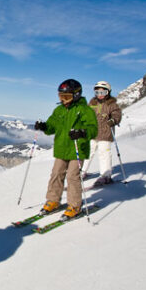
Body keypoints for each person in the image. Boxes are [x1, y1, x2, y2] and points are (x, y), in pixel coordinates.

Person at [34, 79, 98, 219]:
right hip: (62, 149)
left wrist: (82, 132)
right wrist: (44, 126)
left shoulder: (85, 110)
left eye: (66, 97)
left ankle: (75, 205)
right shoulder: (59, 110)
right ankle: (53, 200)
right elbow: (52, 127)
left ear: (76, 95)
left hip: (77, 148)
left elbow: (93, 130)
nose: (63, 100)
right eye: (61, 97)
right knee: (56, 174)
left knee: (72, 176)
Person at [87, 80, 122, 185]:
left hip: (106, 133)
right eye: (97, 93)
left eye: (103, 93)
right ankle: (82, 172)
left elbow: (117, 114)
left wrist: (113, 120)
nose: (100, 95)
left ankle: (105, 175)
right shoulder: (92, 103)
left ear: (108, 92)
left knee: (104, 152)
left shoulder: (111, 103)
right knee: (88, 151)